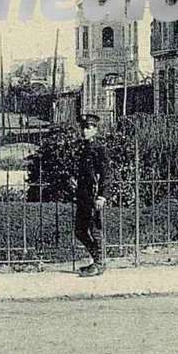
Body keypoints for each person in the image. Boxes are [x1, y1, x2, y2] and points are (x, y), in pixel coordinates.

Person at [73, 113, 111, 276]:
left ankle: (99, 263)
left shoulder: (99, 149)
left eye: (88, 128)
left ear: (95, 129)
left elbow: (107, 174)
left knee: (95, 230)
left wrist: (102, 195)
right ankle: (98, 260)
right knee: (80, 230)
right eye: (83, 127)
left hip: (94, 195)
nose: (84, 131)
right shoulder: (84, 147)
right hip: (84, 195)